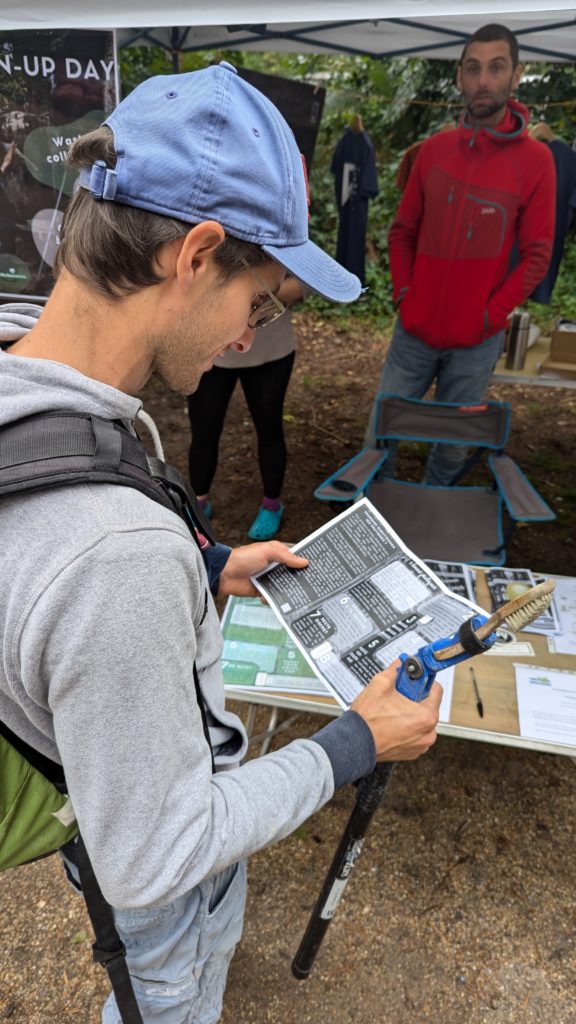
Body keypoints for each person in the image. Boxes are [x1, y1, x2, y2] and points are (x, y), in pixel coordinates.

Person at [0, 64, 441, 1024]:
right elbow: (157, 854)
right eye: (263, 301)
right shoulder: (113, 557)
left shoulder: (22, 376)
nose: (249, 337)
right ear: (195, 253)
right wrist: (356, 743)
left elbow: (38, 568)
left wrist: (204, 566)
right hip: (160, 907)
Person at [367, 23, 555, 485]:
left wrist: (489, 316)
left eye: (496, 68)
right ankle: (377, 523)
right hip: (413, 332)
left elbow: (537, 254)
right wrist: (405, 294)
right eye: (473, 69)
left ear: (516, 76)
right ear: (459, 77)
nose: (483, 81)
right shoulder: (433, 152)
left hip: (476, 341)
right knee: (378, 438)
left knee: (451, 449)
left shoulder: (535, 161)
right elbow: (401, 233)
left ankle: (433, 530)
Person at [187, 275, 306, 541]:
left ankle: (272, 504)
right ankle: (198, 501)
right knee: (204, 429)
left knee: (270, 427)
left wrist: (243, 291)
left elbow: (301, 286)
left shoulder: (286, 233)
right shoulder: (205, 234)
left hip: (271, 353)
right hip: (212, 348)